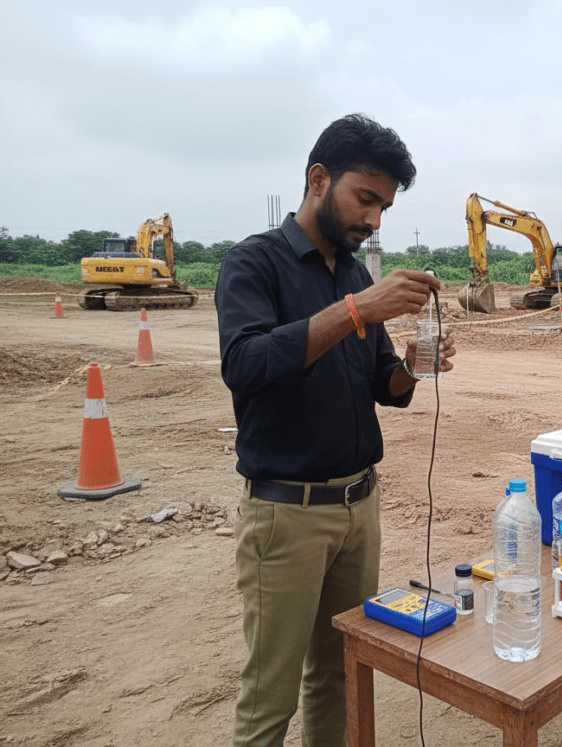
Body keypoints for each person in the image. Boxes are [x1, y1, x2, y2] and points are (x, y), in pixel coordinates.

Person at [215, 113, 455, 747]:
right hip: (286, 516)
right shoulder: (252, 264)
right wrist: (356, 311)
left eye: (385, 207)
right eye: (365, 198)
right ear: (319, 179)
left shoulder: (353, 273)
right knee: (270, 698)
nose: (375, 219)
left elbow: (383, 386)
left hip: (358, 507)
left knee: (341, 677)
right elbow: (245, 366)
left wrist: (411, 366)